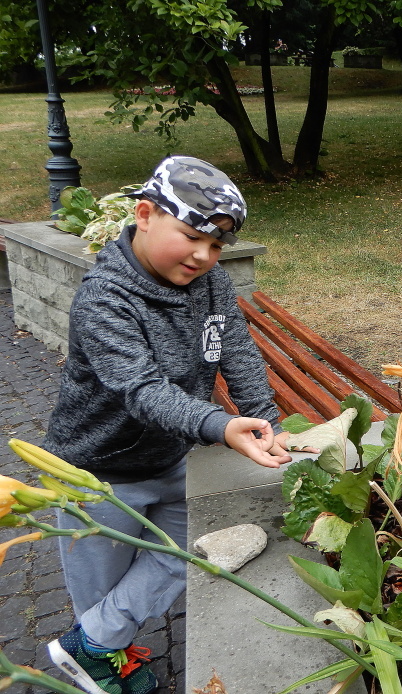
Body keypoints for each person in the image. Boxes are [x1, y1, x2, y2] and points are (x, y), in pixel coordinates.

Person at [43, 156, 315, 694]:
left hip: (171, 460)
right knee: (100, 594)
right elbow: (142, 392)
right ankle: (99, 662)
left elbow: (235, 348)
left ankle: (93, 646)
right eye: (192, 236)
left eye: (216, 246)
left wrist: (263, 419)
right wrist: (219, 425)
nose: (204, 256)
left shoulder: (209, 283)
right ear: (145, 214)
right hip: (97, 475)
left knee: (188, 554)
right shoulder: (105, 297)